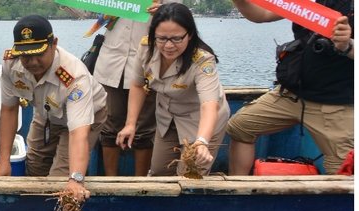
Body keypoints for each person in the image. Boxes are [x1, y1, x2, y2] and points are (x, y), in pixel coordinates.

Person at [227, 0, 353, 175]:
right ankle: (237, 192)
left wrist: (347, 46)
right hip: (291, 95)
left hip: (333, 104)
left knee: (344, 168)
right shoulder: (307, 3)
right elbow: (261, 15)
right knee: (240, 127)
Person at [0, 15, 107, 201]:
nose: (32, 62)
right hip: (47, 112)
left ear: (53, 44)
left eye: (39, 54)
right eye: (26, 56)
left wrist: (76, 179)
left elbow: (78, 132)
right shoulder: (10, 63)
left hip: (86, 117)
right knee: (34, 165)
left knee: (60, 179)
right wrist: (3, 160)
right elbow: (9, 109)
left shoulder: (74, 76)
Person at [116, 3, 230, 176]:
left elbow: (209, 105)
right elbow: (138, 85)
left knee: (189, 175)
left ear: (189, 35)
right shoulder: (146, 47)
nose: (168, 45)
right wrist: (130, 124)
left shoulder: (202, 60)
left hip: (199, 121)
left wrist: (201, 141)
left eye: (177, 39)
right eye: (161, 38)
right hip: (168, 117)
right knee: (159, 173)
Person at [93, 0, 180, 176]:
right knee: (109, 126)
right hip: (111, 62)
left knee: (145, 129)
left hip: (150, 61)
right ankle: (111, 181)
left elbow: (179, 17)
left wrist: (165, 13)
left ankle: (141, 182)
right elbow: (85, 9)